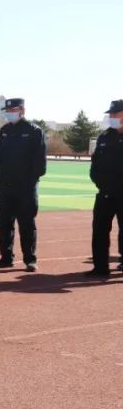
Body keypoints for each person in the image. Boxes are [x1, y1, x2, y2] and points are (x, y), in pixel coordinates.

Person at [0, 97, 47, 271]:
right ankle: (6, 257)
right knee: (4, 223)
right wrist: (0, 175)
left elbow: (40, 162)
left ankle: (30, 259)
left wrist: (29, 180)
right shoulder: (5, 130)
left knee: (26, 224)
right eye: (7, 111)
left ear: (22, 111)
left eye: (13, 110)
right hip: (5, 186)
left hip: (26, 188)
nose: (9, 114)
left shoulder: (34, 131)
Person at [86, 99, 123, 278]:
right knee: (99, 231)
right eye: (111, 114)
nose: (112, 117)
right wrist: (99, 182)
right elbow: (95, 165)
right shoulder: (104, 137)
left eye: (115, 113)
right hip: (105, 193)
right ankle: (100, 267)